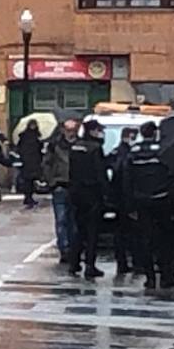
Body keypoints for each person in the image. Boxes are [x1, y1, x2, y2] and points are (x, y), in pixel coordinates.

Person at [125, 121, 174, 290]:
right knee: (165, 240)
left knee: (146, 240)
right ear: (155, 133)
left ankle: (150, 278)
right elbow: (173, 175)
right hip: (162, 200)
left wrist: (130, 204)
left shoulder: (133, 152)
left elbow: (126, 179)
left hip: (142, 202)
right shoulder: (163, 150)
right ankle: (166, 276)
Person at [68, 119, 109, 279]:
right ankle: (90, 265)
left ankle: (74, 262)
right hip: (92, 194)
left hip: (76, 193)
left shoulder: (75, 146)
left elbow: (71, 170)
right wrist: (107, 194)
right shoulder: (95, 148)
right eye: (99, 130)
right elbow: (100, 173)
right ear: (92, 131)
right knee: (92, 231)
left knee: (78, 230)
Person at [43, 119, 81, 264]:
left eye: (73, 130)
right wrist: (51, 182)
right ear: (63, 130)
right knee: (61, 220)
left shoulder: (80, 145)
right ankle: (64, 249)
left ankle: (73, 248)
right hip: (60, 186)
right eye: (68, 130)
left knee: (74, 221)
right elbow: (47, 164)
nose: (71, 133)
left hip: (76, 187)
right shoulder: (55, 146)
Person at [107, 127, 140, 275]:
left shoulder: (116, 152)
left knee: (120, 233)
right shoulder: (127, 154)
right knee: (132, 233)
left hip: (117, 199)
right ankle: (132, 262)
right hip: (127, 199)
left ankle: (123, 262)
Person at [16, 119, 43, 208]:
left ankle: (29, 197)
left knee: (29, 180)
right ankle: (28, 197)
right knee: (28, 180)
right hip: (30, 160)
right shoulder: (30, 136)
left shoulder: (29, 136)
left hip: (31, 160)